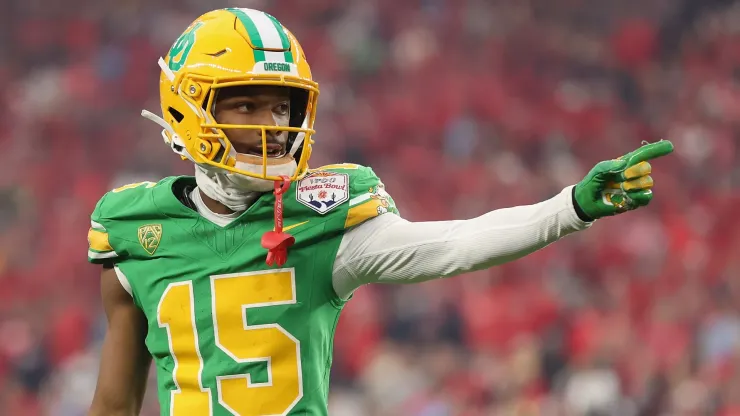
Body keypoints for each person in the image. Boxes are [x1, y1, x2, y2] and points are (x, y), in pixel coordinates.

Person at [86, 8, 674, 416]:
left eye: (281, 107)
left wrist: (567, 207)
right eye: (245, 104)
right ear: (186, 109)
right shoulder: (133, 230)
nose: (270, 126)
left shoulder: (322, 215)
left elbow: (452, 245)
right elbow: (115, 404)